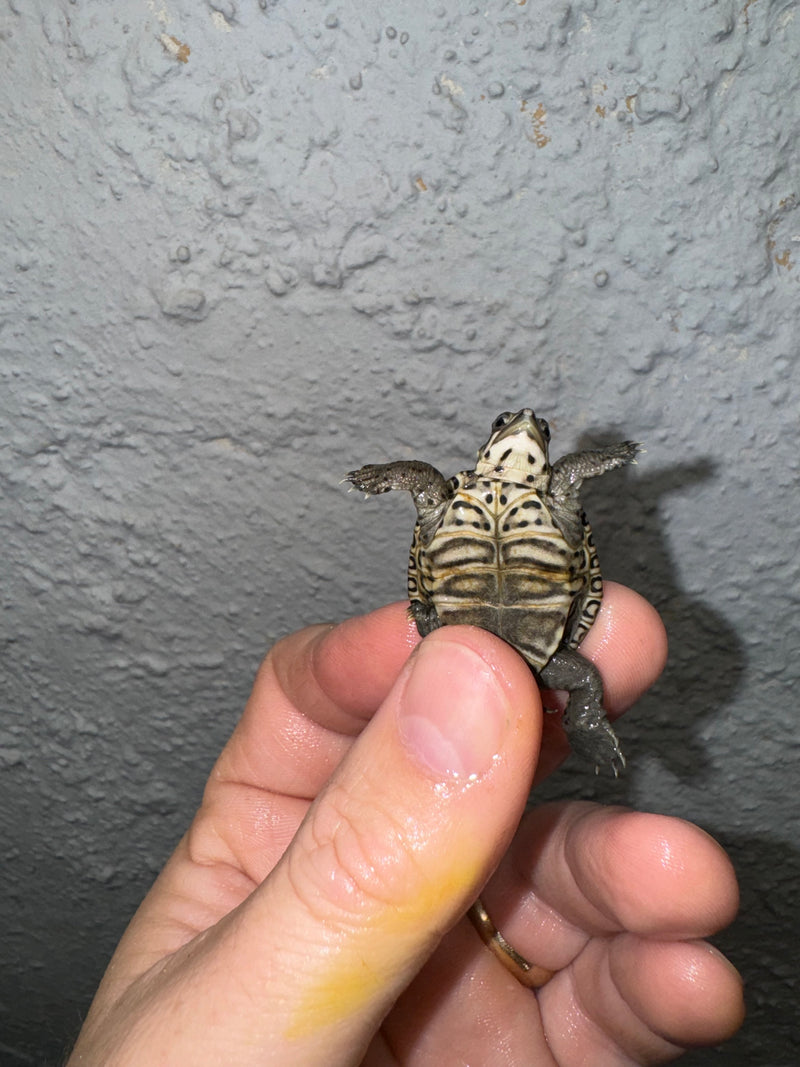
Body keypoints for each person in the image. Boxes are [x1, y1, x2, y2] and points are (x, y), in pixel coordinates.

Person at [67, 585, 744, 1065]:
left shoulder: (549, 499)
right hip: (510, 644)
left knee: (583, 680)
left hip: (519, 643)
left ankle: (578, 719)